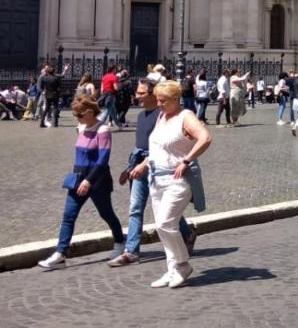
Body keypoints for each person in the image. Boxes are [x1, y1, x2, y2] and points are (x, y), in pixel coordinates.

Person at [129, 79, 211, 289]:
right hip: (156, 178)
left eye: (163, 100)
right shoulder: (162, 117)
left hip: (178, 179)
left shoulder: (186, 116)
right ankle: (171, 269)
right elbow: (158, 148)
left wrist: (186, 160)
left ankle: (182, 265)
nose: (158, 104)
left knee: (165, 223)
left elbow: (205, 138)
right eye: (157, 100)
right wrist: (144, 164)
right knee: (165, 228)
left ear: (176, 99)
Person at [109, 76, 196, 267]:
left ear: (153, 93)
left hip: (160, 168)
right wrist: (130, 168)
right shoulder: (140, 116)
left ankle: (186, 235)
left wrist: (145, 164)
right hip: (140, 166)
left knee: (167, 210)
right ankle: (131, 252)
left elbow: (162, 148)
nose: (136, 96)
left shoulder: (163, 114)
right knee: (135, 208)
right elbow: (140, 146)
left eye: (141, 93)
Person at [37, 95, 126, 269]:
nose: (76, 118)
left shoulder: (103, 130)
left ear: (90, 112)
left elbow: (103, 160)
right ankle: (60, 254)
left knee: (106, 214)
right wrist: (81, 179)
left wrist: (89, 180)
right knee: (68, 216)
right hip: (77, 178)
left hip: (97, 180)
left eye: (79, 114)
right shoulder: (80, 126)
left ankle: (120, 243)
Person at [38, 64, 61, 128]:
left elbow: (41, 86)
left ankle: (42, 122)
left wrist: (44, 91)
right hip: (55, 94)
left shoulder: (45, 78)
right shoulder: (56, 78)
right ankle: (55, 123)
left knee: (46, 109)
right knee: (55, 108)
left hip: (47, 94)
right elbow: (59, 87)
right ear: (54, 72)